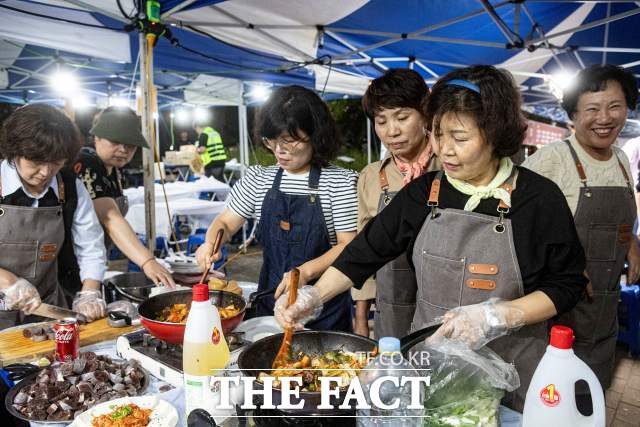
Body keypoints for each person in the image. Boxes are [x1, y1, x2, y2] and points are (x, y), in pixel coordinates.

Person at [274, 66, 587, 411]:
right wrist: (315, 295)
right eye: (438, 134)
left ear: (495, 133)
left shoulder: (539, 199)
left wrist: (498, 316)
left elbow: (567, 284)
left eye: (460, 138)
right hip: (431, 367)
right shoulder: (423, 193)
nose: (446, 150)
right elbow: (365, 251)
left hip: (511, 371)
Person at [196, 85, 358, 331]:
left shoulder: (340, 182)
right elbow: (226, 224)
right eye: (272, 140)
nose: (279, 150)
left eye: (290, 141)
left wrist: (304, 272)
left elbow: (348, 246)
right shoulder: (259, 178)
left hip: (325, 312)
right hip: (270, 308)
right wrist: (211, 243)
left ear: (315, 135)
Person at [523, 64, 639, 394]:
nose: (605, 118)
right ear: (574, 114)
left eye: (615, 106)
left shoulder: (620, 159)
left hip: (605, 309)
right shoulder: (551, 160)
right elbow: (518, 224)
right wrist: (563, 264)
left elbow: (621, 219)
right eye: (592, 109)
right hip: (559, 312)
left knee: (591, 395)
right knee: (554, 395)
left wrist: (632, 244)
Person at [0, 104, 108, 327]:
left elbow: (91, 246)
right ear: (14, 153)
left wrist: (89, 292)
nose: (45, 173)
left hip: (47, 308)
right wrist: (8, 281)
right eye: (36, 162)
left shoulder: (70, 188)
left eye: (56, 163)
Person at [353, 68, 439, 338]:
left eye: (402, 117)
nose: (392, 131)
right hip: (391, 309)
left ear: (424, 113)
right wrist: (360, 318)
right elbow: (362, 249)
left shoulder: (449, 166)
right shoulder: (371, 176)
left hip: (444, 307)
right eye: (381, 121)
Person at [70, 107, 175, 291]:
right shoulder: (88, 163)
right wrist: (148, 261)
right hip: (74, 263)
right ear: (97, 137)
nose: (123, 150)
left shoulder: (113, 169)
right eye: (116, 141)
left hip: (93, 259)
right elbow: (110, 217)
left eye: (130, 144)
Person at [194, 116, 226, 181]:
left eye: (195, 130)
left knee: (210, 184)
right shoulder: (215, 132)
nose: (196, 132)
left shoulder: (204, 134)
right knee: (220, 183)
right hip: (221, 162)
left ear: (197, 127)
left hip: (211, 163)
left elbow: (202, 149)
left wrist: (196, 150)